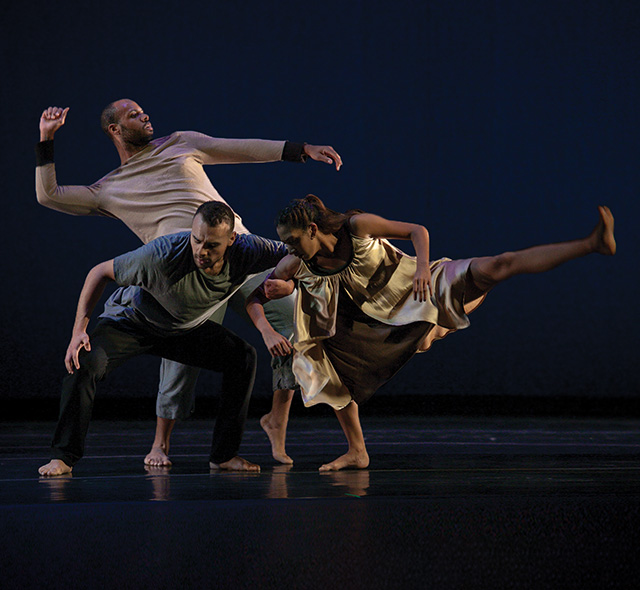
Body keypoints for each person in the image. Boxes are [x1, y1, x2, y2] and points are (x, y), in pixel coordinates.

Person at [36, 101, 342, 466]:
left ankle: (274, 422)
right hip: (178, 272)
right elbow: (49, 195)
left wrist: (301, 151)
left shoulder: (180, 143)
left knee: (294, 322)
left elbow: (241, 148)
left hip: (237, 256)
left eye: (143, 111)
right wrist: (46, 139)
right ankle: (158, 444)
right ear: (114, 130)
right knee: (179, 350)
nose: (145, 115)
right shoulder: (109, 189)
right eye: (133, 114)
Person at [246, 195, 617, 471]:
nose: (289, 248)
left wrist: (423, 269)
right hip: (376, 322)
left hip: (420, 288)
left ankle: (590, 244)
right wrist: (265, 330)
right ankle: (357, 451)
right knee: (329, 370)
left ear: (313, 229)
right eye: (287, 243)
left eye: (294, 240)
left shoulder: (356, 227)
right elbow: (254, 298)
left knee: (500, 264)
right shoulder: (294, 262)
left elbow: (416, 231)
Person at [38, 201, 288, 477]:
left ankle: (224, 455)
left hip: (183, 330)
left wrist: (287, 282)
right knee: (84, 363)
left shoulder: (249, 250)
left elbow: (296, 252)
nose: (201, 251)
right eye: (197, 240)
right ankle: (63, 457)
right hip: (132, 323)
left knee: (243, 357)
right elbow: (99, 272)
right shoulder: (162, 254)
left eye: (212, 245)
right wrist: (78, 331)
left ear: (232, 239)